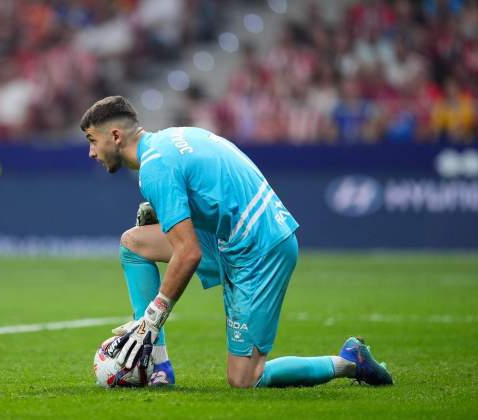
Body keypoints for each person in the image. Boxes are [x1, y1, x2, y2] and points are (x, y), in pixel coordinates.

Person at [80, 95, 393, 388]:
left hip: (259, 250)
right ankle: (158, 367)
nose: (92, 152)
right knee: (134, 243)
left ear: (116, 136)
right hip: (236, 236)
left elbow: (188, 253)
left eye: (93, 141)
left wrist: (152, 318)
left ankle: (349, 362)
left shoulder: (155, 168)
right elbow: (216, 188)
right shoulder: (169, 140)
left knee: (246, 378)